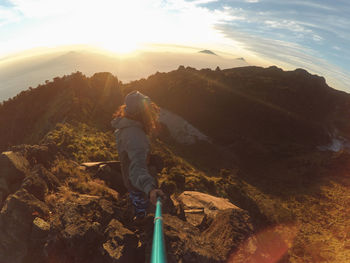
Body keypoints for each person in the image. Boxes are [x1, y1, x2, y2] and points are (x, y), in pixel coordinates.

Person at [111, 91, 165, 220]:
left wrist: (148, 158)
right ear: (141, 113)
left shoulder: (126, 125)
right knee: (147, 222)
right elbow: (136, 168)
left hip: (134, 184)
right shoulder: (134, 134)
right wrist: (150, 188)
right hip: (140, 189)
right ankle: (142, 218)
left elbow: (132, 159)